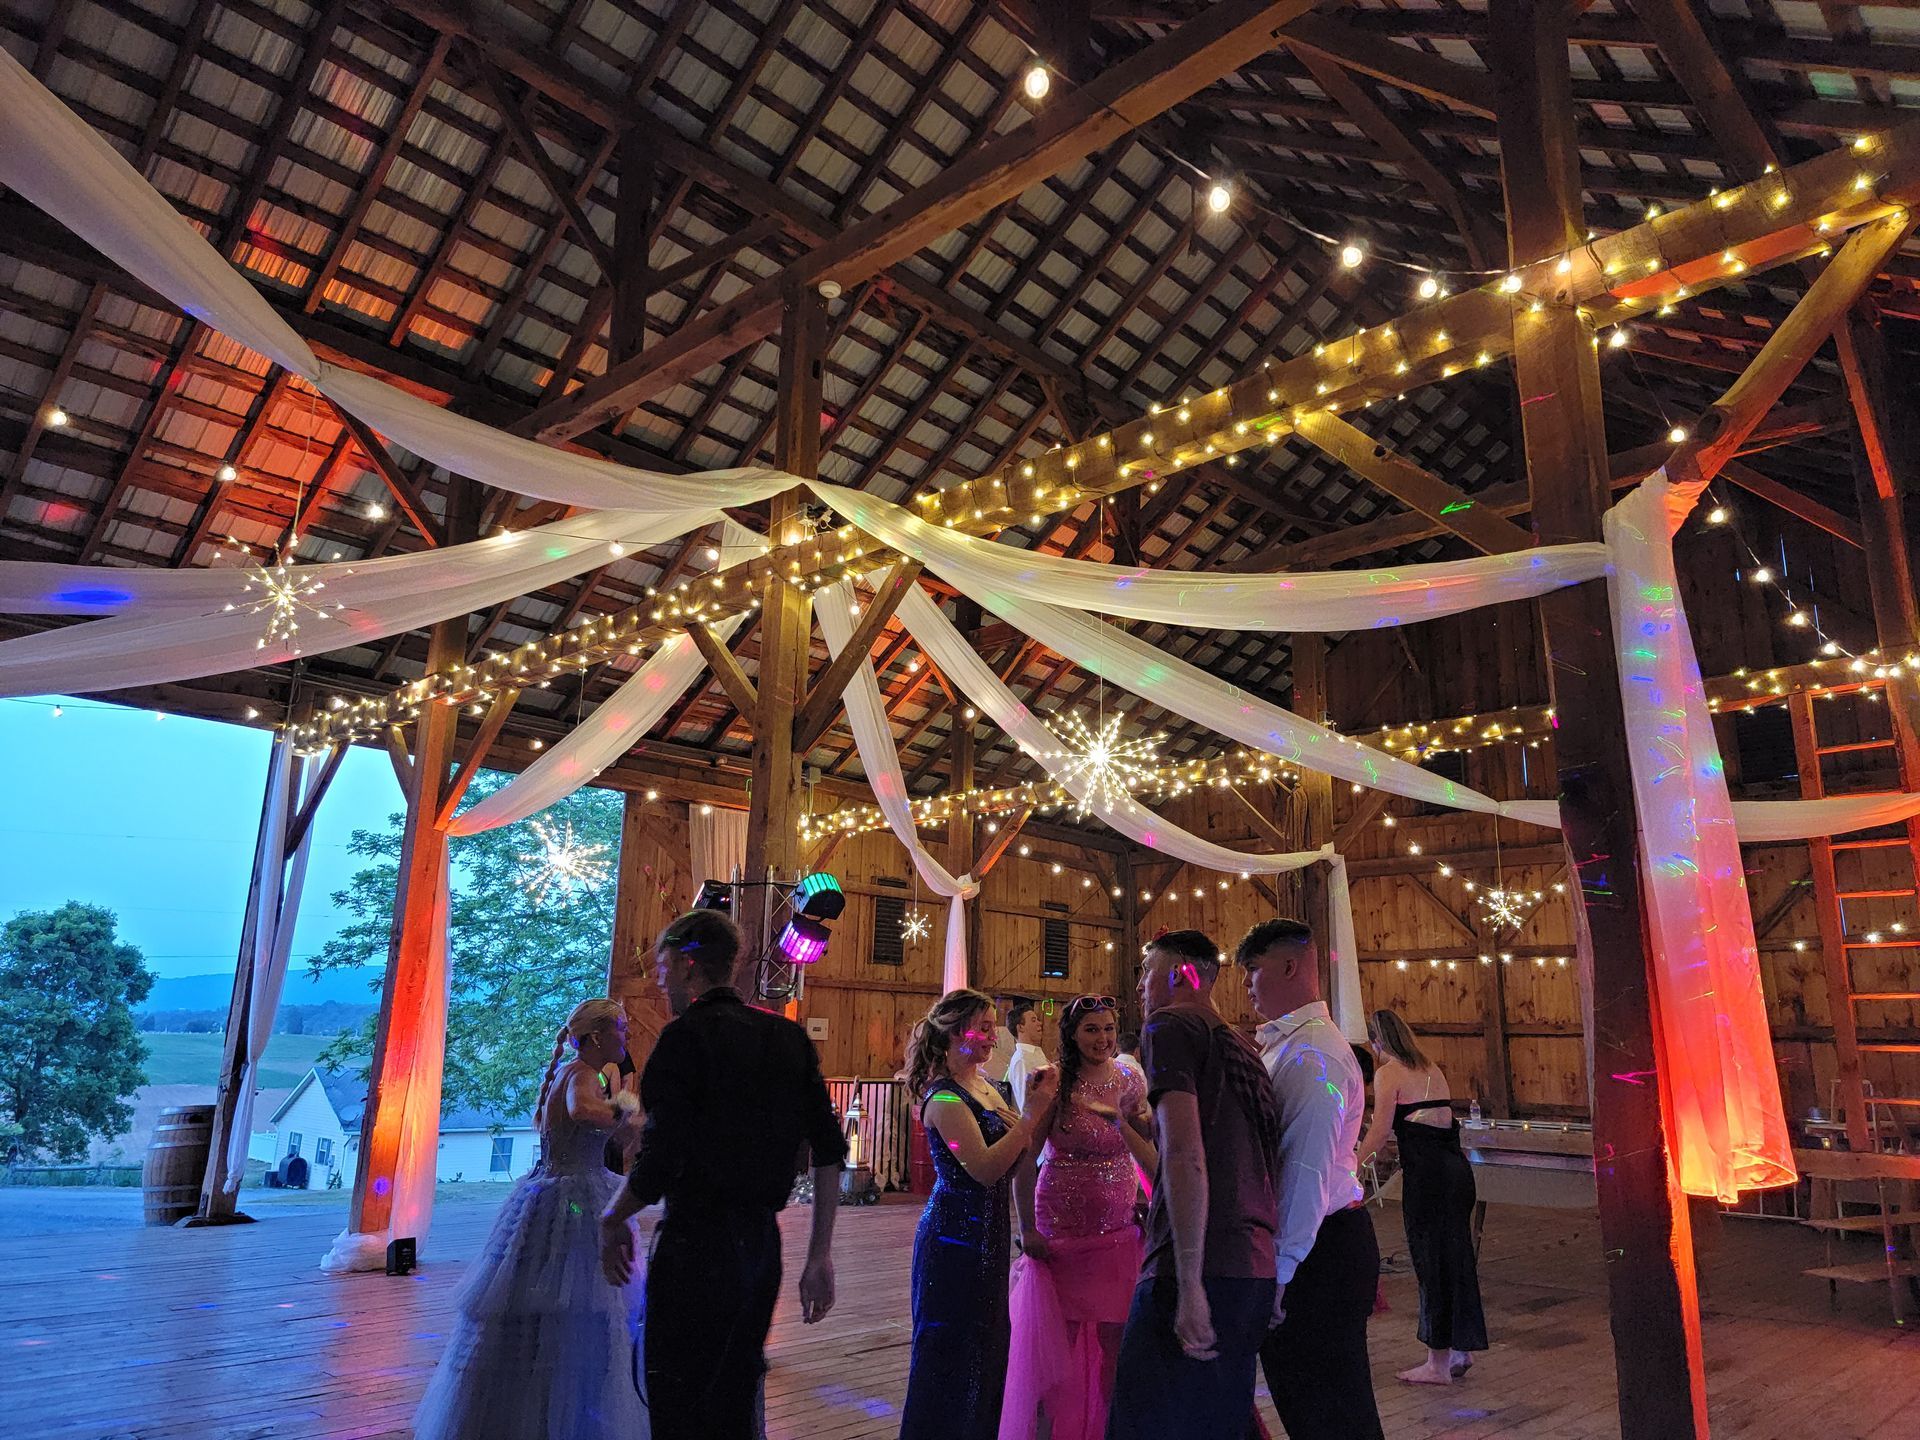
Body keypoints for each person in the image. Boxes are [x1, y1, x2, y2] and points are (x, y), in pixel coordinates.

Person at [599, 911, 847, 1440]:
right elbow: (830, 1150)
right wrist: (819, 1256)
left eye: (663, 967)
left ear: (688, 965)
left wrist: (612, 1217)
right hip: (762, 1249)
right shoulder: (787, 1038)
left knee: (680, 1403)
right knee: (737, 1397)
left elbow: (661, 1161)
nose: (660, 981)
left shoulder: (682, 1040)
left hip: (696, 1247)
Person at [415, 998, 647, 1440]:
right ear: (597, 1037)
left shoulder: (579, 1073)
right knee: (577, 1299)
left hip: (552, 1191)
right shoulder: (582, 1074)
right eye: (621, 1027)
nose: (627, 1035)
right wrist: (626, 1109)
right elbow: (583, 1111)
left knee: (547, 1301)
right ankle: (567, 1411)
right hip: (575, 1200)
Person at [1105, 930, 1282, 1440]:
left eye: (1148, 972)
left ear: (1182, 973)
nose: (1141, 985)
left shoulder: (1170, 1025)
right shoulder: (1243, 1046)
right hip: (1253, 1266)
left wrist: (1188, 1283)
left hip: (1200, 1263)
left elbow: (1185, 1154)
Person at [1237, 919, 1384, 1440]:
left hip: (1317, 1250)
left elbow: (1305, 1170)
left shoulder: (1312, 1053)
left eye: (1253, 970)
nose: (1247, 984)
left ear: (1289, 967)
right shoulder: (1288, 1045)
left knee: (1329, 1413)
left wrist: (1281, 1271)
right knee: (1312, 1407)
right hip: (1313, 1245)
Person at [900, 988, 1058, 1440]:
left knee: (988, 1351)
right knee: (951, 1353)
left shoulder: (989, 1088)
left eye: (992, 1028)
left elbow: (1019, 1154)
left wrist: (1032, 1123)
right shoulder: (945, 1100)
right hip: (952, 1241)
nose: (992, 1037)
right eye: (983, 1028)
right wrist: (1029, 1118)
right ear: (954, 1033)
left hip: (990, 1236)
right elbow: (985, 1169)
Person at [1003, 994, 1156, 1440]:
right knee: (1055, 1350)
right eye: (1091, 1029)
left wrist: (1149, 1123)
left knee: (1118, 1346)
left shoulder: (1129, 1078)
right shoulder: (1052, 1082)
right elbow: (1026, 1159)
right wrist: (1027, 1226)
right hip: (1062, 1232)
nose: (1102, 1039)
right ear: (1071, 1035)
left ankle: (1110, 1429)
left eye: (1108, 1029)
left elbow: (1145, 1146)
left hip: (1118, 1231)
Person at [1356, 1007, 1487, 1385]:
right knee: (1457, 1263)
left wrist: (1352, 1166)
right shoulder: (1431, 1068)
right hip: (1457, 1173)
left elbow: (1380, 1132)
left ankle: (1437, 1363)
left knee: (1431, 1264)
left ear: (1377, 1042)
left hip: (1428, 1179)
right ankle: (1460, 1349)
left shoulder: (1389, 1073)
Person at [1003, 998, 1049, 1111]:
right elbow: (1025, 1105)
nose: (1039, 1023)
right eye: (1033, 1020)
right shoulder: (1022, 1060)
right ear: (1020, 1027)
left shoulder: (1035, 1054)